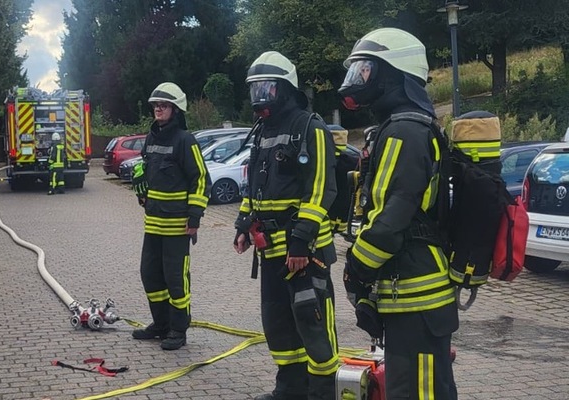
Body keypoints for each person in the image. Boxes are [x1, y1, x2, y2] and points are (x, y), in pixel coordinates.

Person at [338, 28, 459, 399]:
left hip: (417, 296)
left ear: (393, 73)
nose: (358, 81)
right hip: (410, 295)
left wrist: (356, 270)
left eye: (366, 70)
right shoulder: (403, 126)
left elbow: (391, 218)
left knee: (418, 393)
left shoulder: (404, 130)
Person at [234, 51, 339, 400]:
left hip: (304, 254)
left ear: (284, 88)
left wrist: (301, 243)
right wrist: (242, 223)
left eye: (266, 89)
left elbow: (322, 189)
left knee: (312, 326)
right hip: (272, 252)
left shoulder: (310, 127)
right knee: (277, 324)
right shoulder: (263, 131)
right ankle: (290, 389)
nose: (259, 97)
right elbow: (254, 187)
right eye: (254, 90)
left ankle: (321, 393)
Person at [131, 82, 211, 351]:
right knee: (150, 275)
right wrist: (140, 183)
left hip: (177, 225)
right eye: (155, 105)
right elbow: (145, 166)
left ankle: (178, 329)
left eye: (163, 105)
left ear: (176, 110)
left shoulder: (185, 140)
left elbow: (201, 179)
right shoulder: (152, 138)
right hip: (153, 223)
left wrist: (195, 216)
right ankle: (161, 324)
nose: (158, 109)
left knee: (176, 279)